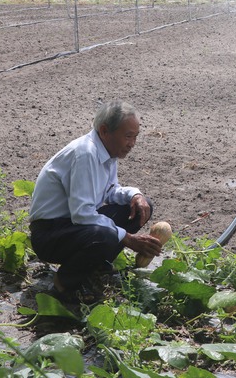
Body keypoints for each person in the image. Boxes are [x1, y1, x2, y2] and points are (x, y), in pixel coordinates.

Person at [28, 100, 162, 301]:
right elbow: (82, 213)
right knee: (107, 234)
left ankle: (95, 267)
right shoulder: (86, 154)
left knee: (139, 208)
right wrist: (127, 238)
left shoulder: (108, 152)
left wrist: (135, 195)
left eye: (135, 137)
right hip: (50, 234)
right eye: (128, 136)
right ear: (104, 131)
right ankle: (65, 282)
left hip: (71, 225)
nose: (132, 144)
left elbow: (110, 191)